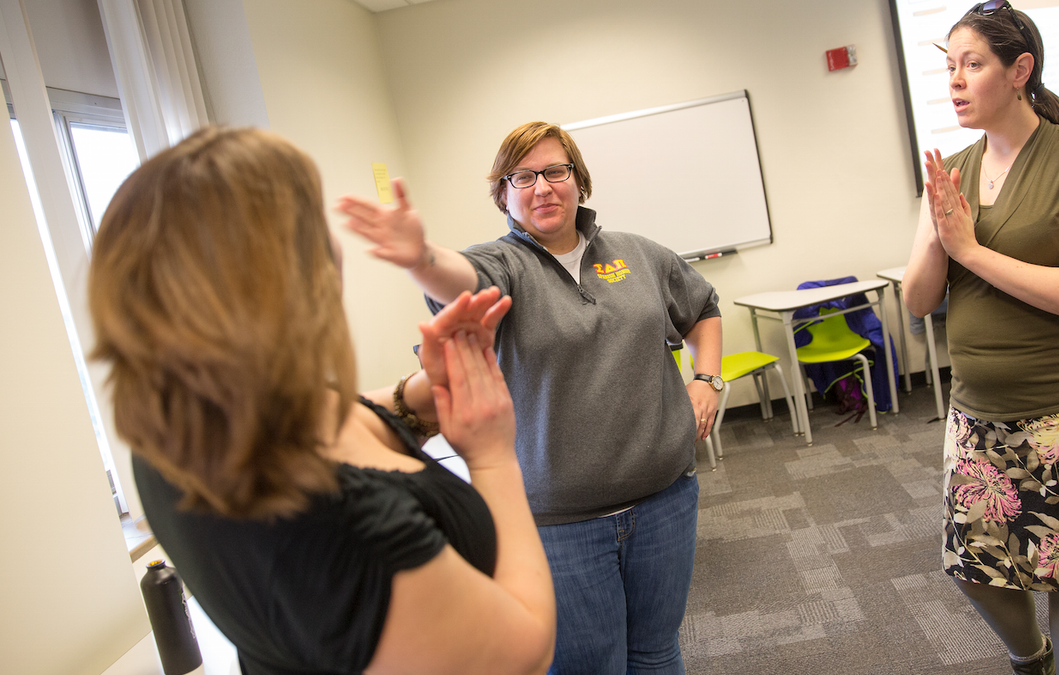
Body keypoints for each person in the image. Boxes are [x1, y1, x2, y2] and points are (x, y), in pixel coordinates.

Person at [88, 127, 555, 675]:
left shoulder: (182, 431)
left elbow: (339, 421)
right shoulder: (349, 527)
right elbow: (523, 650)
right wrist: (493, 455)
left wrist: (424, 390)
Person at [340, 121, 723, 674]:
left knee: (657, 652)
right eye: (522, 177)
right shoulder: (504, 266)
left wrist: (704, 380)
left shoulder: (639, 255)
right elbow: (462, 280)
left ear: (578, 181)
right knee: (591, 666)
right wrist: (421, 258)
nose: (541, 187)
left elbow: (703, 306)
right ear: (504, 194)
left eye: (554, 171)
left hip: (665, 499)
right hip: (561, 524)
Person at [903, 3, 1059, 675]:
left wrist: (969, 248)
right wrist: (943, 238)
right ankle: (1030, 658)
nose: (956, 81)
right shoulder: (953, 173)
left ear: (1020, 69)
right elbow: (918, 300)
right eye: (950, 67)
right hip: (977, 411)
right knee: (969, 563)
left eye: (973, 65)